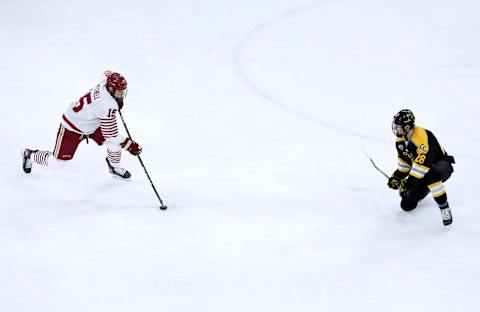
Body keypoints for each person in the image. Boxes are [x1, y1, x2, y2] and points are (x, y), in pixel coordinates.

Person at [22, 71, 142, 179]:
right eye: (118, 92)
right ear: (110, 89)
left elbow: (106, 73)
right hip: (72, 126)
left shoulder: (105, 81)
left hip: (92, 123)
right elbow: (111, 135)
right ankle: (29, 154)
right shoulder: (105, 106)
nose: (121, 94)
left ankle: (114, 167)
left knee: (114, 144)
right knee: (56, 163)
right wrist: (129, 145)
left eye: (122, 91)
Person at [387, 109, 455, 226]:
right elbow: (405, 162)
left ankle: (445, 208)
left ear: (407, 127)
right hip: (423, 170)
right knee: (406, 205)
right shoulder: (400, 140)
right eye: (396, 126)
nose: (396, 129)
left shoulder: (421, 137)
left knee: (431, 177)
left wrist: (409, 184)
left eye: (399, 126)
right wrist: (397, 177)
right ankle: (425, 189)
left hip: (442, 165)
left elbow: (422, 164)